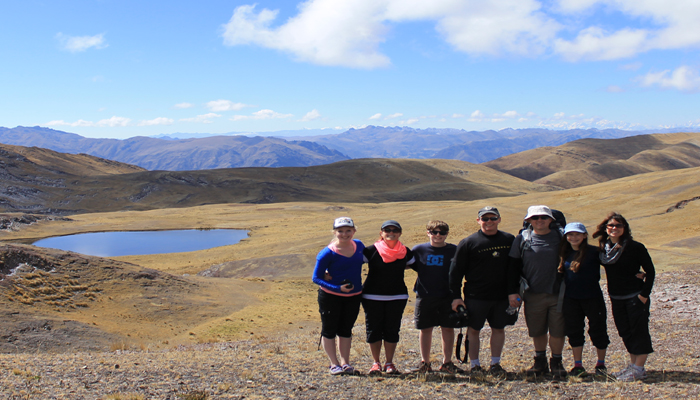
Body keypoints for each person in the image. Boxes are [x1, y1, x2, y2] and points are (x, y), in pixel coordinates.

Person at [450, 206, 516, 375]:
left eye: (493, 218)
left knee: (499, 328)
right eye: (485, 219)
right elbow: (456, 272)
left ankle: (495, 364)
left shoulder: (509, 240)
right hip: (475, 296)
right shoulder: (468, 243)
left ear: (499, 220)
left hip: (501, 296)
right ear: (478, 221)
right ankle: (474, 365)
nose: (489, 222)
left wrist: (513, 292)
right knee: (473, 330)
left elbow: (515, 269)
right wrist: (456, 297)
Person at [592, 212, 655, 382]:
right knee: (625, 331)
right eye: (611, 225)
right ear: (605, 228)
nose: (614, 228)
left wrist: (644, 295)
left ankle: (639, 368)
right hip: (616, 297)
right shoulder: (604, 249)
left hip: (635, 296)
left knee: (639, 331)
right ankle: (633, 365)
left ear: (625, 228)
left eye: (618, 225)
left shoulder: (635, 247)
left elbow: (650, 271)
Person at [508, 205, 567, 377]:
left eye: (543, 217)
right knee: (537, 329)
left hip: (559, 293)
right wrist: (513, 292)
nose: (539, 221)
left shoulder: (562, 238)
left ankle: (557, 361)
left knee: (557, 330)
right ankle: (540, 361)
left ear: (551, 220)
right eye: (535, 218)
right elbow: (513, 267)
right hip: (532, 294)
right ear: (528, 220)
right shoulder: (522, 239)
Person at [311, 217, 365, 375]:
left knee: (346, 330)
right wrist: (337, 288)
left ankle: (345, 363)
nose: (344, 234)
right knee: (329, 330)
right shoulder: (327, 253)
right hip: (330, 297)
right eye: (340, 231)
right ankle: (334, 364)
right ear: (334, 232)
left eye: (348, 230)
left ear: (354, 231)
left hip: (354, 296)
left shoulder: (359, 246)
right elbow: (316, 278)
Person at [362, 220, 414, 375]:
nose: (391, 233)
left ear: (400, 233)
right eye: (387, 230)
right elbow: (350, 264)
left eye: (395, 230)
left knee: (392, 329)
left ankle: (389, 363)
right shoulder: (371, 251)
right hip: (372, 296)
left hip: (397, 296)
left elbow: (420, 267)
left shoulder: (405, 251)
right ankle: (376, 363)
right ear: (381, 233)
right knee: (373, 329)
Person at [558, 222, 610, 377]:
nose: (574, 237)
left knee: (598, 330)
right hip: (571, 299)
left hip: (593, 297)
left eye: (577, 234)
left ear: (584, 236)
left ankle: (601, 364)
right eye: (570, 235)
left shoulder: (595, 252)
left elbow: (614, 265)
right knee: (574, 331)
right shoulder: (563, 254)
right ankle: (578, 365)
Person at [410, 220, 461, 374]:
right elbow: (409, 265)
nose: (438, 235)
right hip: (425, 296)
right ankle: (425, 363)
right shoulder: (419, 250)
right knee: (425, 329)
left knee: (448, 328)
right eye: (434, 232)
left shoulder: (454, 250)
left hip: (447, 296)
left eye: (442, 232)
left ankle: (447, 362)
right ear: (428, 233)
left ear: (447, 234)